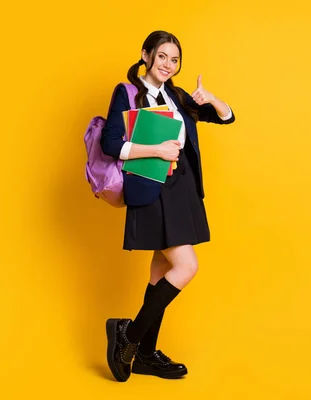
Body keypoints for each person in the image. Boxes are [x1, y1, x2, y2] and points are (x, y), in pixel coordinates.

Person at [99, 30, 236, 382]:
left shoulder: (176, 95)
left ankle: (144, 354)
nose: (168, 65)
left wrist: (213, 99)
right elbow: (112, 144)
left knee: (161, 271)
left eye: (174, 60)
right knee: (185, 267)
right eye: (162, 56)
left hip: (182, 188)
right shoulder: (127, 92)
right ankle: (127, 337)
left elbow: (224, 117)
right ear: (146, 55)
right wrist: (157, 151)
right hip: (153, 186)